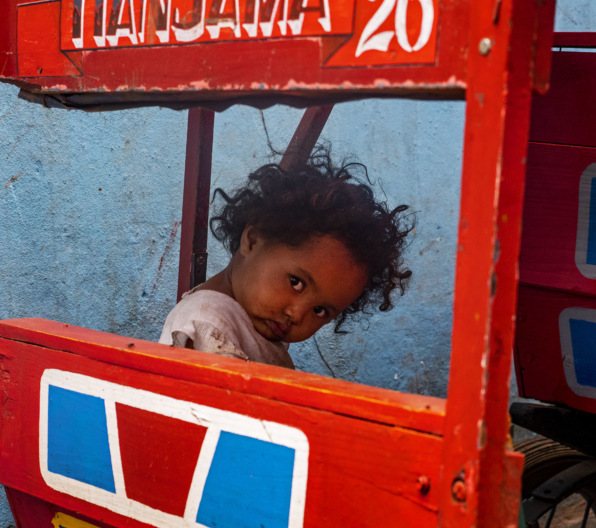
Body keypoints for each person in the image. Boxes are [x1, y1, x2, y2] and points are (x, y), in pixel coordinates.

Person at [159, 147, 414, 370]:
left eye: (320, 310)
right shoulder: (207, 323)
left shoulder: (247, 325)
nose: (296, 314)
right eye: (296, 282)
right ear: (253, 240)